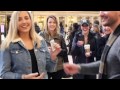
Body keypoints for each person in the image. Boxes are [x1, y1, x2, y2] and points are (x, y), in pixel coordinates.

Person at [0, 11, 61, 79]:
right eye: (19, 19)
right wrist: (23, 77)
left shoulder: (40, 41)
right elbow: (4, 73)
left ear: (31, 20)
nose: (24, 22)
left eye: (26, 18)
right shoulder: (8, 44)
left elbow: (50, 69)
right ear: (14, 23)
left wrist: (53, 56)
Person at [63, 11, 120, 79]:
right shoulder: (113, 36)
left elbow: (98, 54)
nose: (100, 14)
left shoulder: (95, 36)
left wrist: (91, 53)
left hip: (90, 64)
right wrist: (79, 68)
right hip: (81, 65)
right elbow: (105, 64)